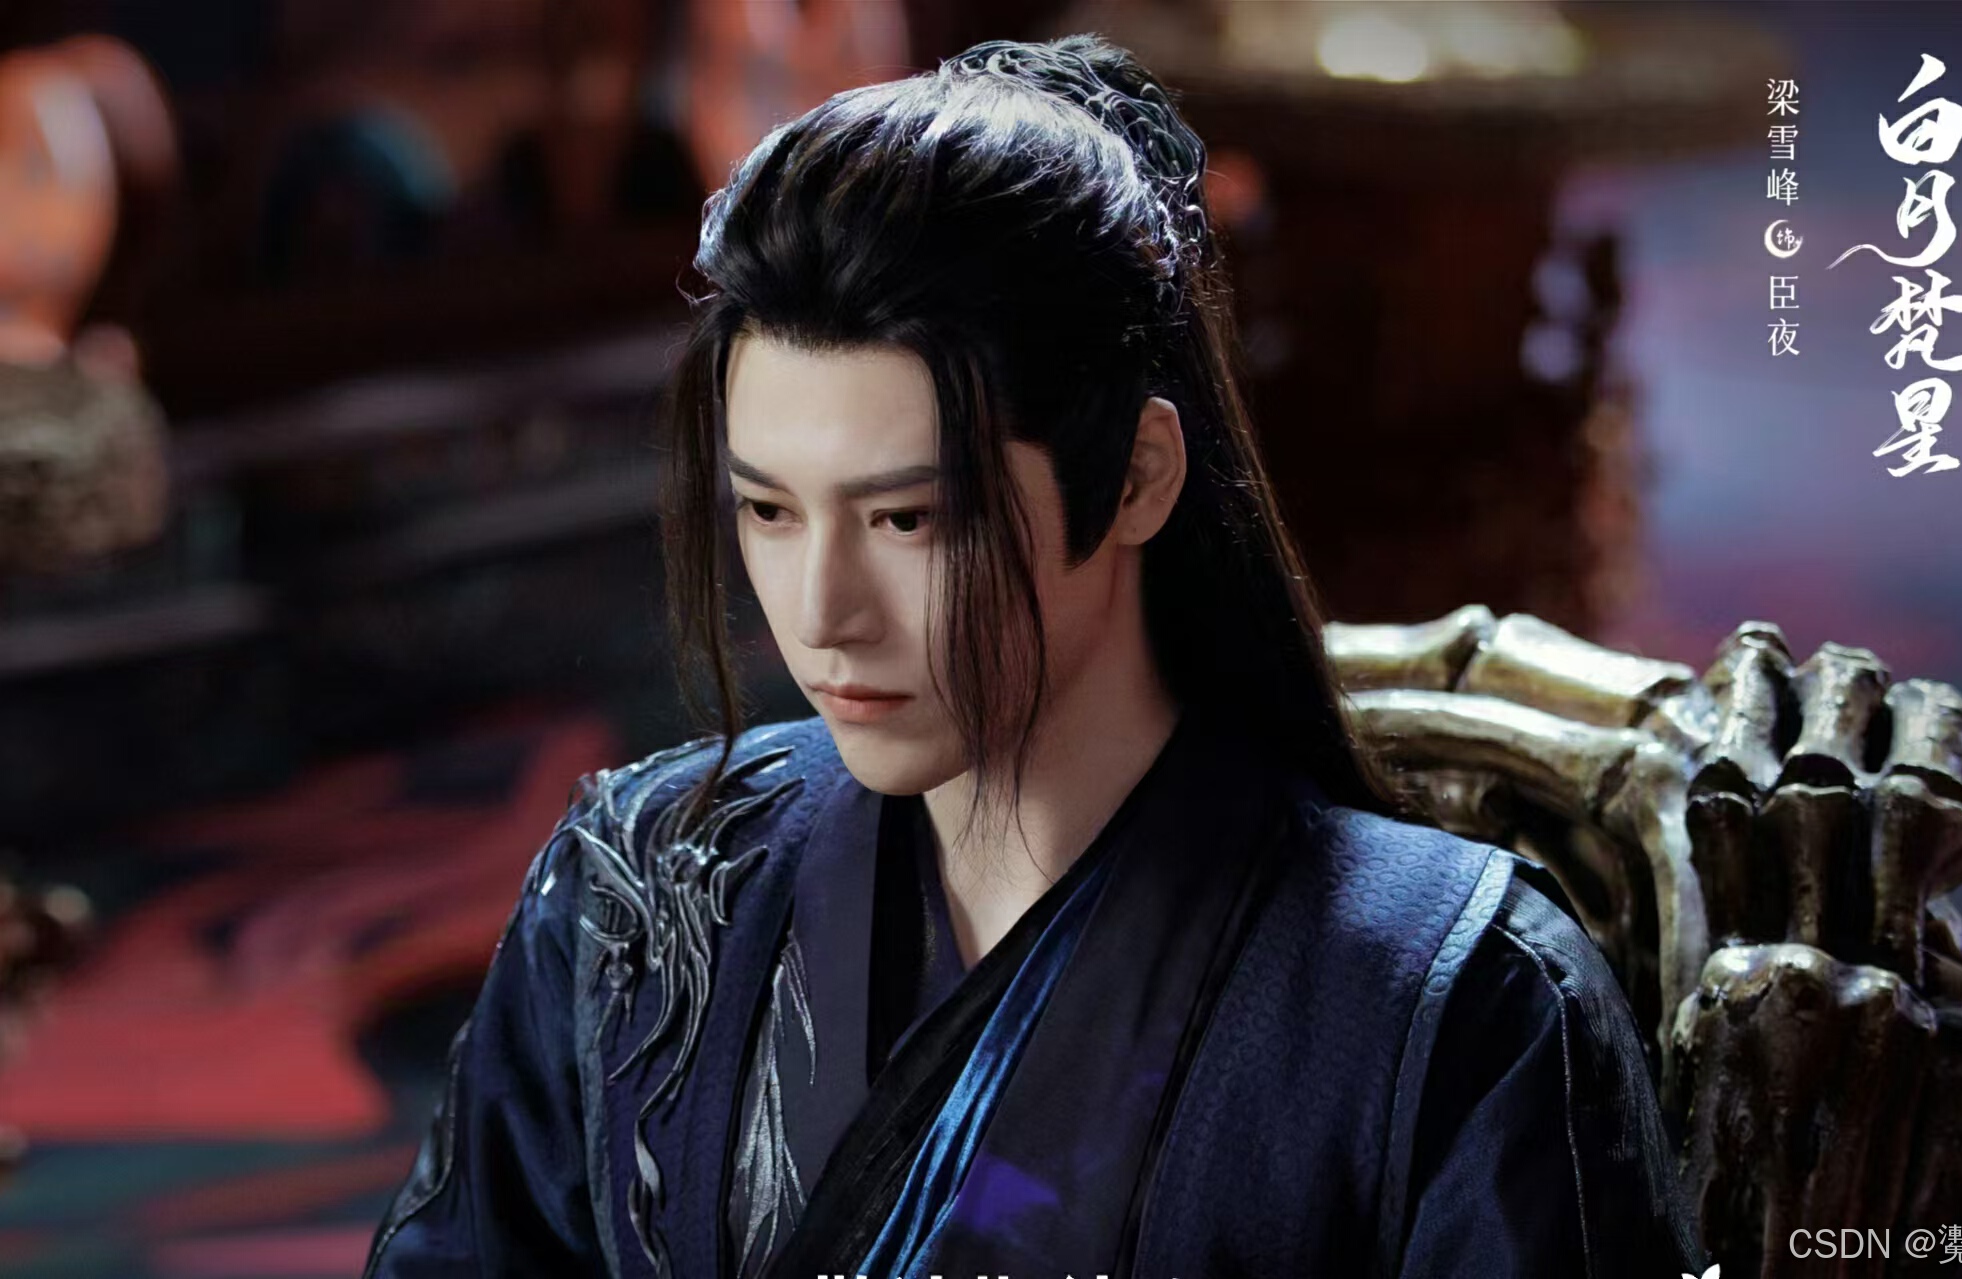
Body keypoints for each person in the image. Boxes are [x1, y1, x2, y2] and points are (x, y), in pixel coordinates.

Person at [362, 33, 1705, 1279]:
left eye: (908, 519)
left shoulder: (1455, 1008)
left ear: (1135, 477)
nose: (821, 612)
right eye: (768, 511)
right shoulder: (633, 894)